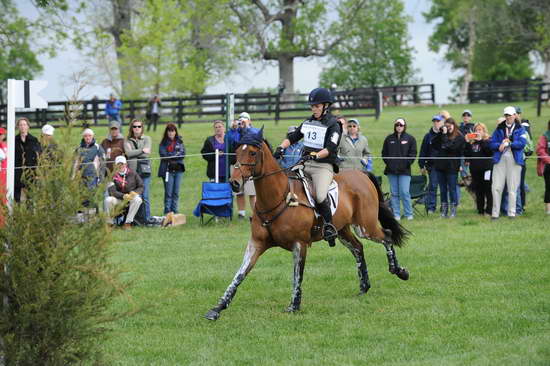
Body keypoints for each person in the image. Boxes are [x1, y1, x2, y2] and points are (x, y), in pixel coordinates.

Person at [273, 87, 342, 246]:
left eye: (317, 106)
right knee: (287, 183)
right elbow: (293, 137)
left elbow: (330, 148)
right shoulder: (308, 122)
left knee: (319, 195)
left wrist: (316, 155)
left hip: (323, 166)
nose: (314, 109)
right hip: (304, 164)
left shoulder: (334, 124)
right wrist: (280, 148)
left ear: (325, 106)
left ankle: (329, 226)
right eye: (312, 106)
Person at [489, 106, 527, 219]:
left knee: (512, 188)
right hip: (500, 158)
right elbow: (491, 143)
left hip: (514, 159)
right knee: (496, 187)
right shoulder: (499, 128)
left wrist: (509, 143)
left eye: (510, 115)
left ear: (515, 115)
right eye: (506, 115)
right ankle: (495, 214)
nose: (508, 117)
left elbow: (522, 143)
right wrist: (500, 145)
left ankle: (512, 213)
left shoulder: (521, 129)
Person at [381, 118, 417, 221]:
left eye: (401, 125)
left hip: (404, 171)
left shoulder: (410, 139)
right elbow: (384, 153)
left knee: (404, 192)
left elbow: (413, 154)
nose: (399, 127)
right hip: (391, 171)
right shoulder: (389, 139)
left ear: (404, 126)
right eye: (397, 125)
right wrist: (390, 163)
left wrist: (405, 164)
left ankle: (408, 214)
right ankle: (396, 214)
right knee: (394, 193)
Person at [433, 118, 465, 218]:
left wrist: (444, 136)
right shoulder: (443, 135)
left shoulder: (459, 137)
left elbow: (450, 147)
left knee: (452, 189)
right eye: (446, 126)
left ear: (454, 125)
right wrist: (440, 134)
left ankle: (453, 211)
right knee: (442, 190)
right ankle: (444, 211)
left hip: (452, 167)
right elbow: (434, 145)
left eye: (449, 126)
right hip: (440, 166)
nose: (448, 128)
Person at [104, 155, 143, 229]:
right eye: (119, 164)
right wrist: (123, 196)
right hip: (118, 198)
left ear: (126, 164)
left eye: (123, 164)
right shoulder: (111, 176)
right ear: (115, 165)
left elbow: (141, 186)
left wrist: (135, 193)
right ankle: (110, 223)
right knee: (108, 200)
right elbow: (112, 191)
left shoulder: (133, 173)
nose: (121, 166)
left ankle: (127, 223)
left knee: (138, 199)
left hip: (130, 198)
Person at [125, 119, 152, 222]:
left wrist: (134, 152)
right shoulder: (127, 140)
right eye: (135, 126)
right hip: (133, 172)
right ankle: (136, 220)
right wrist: (141, 150)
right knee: (136, 196)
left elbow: (146, 154)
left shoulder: (147, 138)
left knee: (145, 196)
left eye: (139, 126)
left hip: (145, 171)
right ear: (131, 128)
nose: (137, 128)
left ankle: (147, 218)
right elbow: (128, 153)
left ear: (142, 128)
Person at [464, 123, 493, 216]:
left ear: (484, 131)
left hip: (487, 170)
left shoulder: (488, 140)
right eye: (476, 130)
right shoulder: (473, 142)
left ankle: (489, 210)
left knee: (488, 190)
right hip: (475, 170)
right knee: (479, 191)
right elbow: (467, 154)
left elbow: (489, 152)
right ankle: (480, 210)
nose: (478, 132)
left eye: (480, 130)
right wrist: (467, 142)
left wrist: (481, 141)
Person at [419, 115, 444, 214]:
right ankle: (431, 208)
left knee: (444, 187)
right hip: (432, 165)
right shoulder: (428, 136)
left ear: (442, 122)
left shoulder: (445, 134)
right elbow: (423, 151)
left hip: (445, 165)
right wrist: (421, 165)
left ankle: (444, 207)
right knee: (433, 186)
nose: (436, 123)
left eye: (438, 121)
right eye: (435, 121)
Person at [158, 123, 186, 214]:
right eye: (169, 131)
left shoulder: (180, 141)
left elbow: (183, 154)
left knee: (176, 192)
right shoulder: (163, 143)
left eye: (172, 131)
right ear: (166, 132)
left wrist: (171, 156)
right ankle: (167, 212)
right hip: (167, 170)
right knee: (168, 193)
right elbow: (163, 155)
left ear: (175, 132)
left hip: (178, 169)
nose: (171, 133)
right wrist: (175, 155)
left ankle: (175, 211)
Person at [235, 111, 258, 219]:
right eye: (240, 120)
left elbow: (254, 137)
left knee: (252, 192)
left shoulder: (254, 130)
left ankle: (255, 214)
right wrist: (233, 129)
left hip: (249, 164)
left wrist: (246, 128)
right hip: (238, 163)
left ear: (249, 121)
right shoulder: (235, 131)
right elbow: (232, 142)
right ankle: (241, 213)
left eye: (244, 120)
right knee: (239, 191)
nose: (242, 122)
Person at [14, 117, 41, 202]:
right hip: (17, 170)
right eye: (20, 125)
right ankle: (16, 213)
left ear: (28, 126)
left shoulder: (34, 140)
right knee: (16, 194)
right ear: (18, 127)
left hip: (30, 170)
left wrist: (36, 173)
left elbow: (38, 157)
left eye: (24, 124)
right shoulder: (14, 140)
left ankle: (29, 213)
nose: (22, 126)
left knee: (30, 195)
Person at [536, 120, 550, 215]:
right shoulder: (545, 136)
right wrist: (548, 160)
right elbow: (540, 150)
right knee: (549, 187)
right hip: (548, 166)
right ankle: (548, 209)